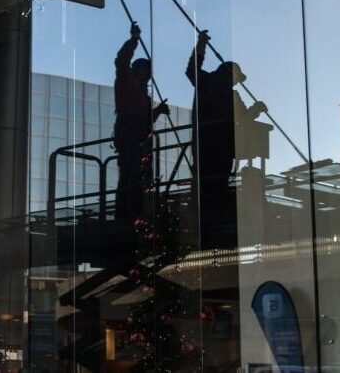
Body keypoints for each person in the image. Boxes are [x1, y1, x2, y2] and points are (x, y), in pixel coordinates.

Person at [186, 30, 266, 246]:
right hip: (217, 145)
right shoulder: (212, 84)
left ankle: (205, 211)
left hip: (211, 144)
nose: (236, 83)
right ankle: (207, 212)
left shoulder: (212, 85)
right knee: (213, 180)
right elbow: (243, 117)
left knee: (209, 180)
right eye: (236, 79)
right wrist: (201, 44)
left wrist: (255, 110)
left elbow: (242, 117)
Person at [114, 23, 169, 221]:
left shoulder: (142, 94)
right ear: (139, 71)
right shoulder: (127, 84)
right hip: (129, 136)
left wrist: (157, 112)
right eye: (146, 72)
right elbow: (121, 61)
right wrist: (134, 40)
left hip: (137, 137)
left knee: (136, 176)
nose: (148, 76)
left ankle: (135, 212)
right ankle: (127, 214)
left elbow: (144, 119)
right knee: (130, 176)